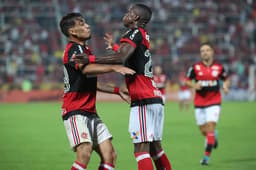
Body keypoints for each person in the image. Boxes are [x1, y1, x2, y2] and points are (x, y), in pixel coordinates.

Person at [72, 4, 172, 170]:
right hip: (154, 96)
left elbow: (121, 58)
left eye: (129, 13)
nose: (125, 15)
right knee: (156, 149)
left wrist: (90, 59)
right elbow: (131, 56)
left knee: (141, 150)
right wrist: (116, 47)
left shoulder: (134, 32)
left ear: (136, 18)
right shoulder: (143, 35)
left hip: (142, 98)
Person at [59, 12, 135, 170]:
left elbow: (92, 82)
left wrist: (116, 91)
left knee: (110, 155)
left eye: (85, 22)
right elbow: (86, 69)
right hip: (75, 111)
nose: (87, 26)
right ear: (72, 31)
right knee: (84, 151)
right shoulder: (73, 49)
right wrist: (113, 67)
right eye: (81, 23)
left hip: (90, 112)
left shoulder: (86, 51)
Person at [185, 42, 230, 165]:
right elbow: (187, 81)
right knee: (203, 130)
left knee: (210, 126)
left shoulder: (219, 67)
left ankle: (206, 157)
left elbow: (226, 79)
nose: (205, 52)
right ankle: (213, 136)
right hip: (199, 102)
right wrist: (194, 85)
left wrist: (225, 86)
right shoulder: (195, 68)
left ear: (212, 52)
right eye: (202, 51)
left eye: (207, 50)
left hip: (214, 101)